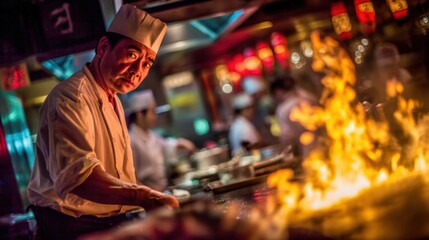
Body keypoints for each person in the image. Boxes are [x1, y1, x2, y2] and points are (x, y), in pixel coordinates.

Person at [27, 4, 179, 239]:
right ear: (104, 47)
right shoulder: (71, 97)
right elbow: (79, 177)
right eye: (131, 55)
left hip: (108, 225)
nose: (137, 71)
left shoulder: (113, 99)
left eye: (147, 63)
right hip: (72, 229)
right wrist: (144, 196)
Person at [126, 89, 196, 192]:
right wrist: (149, 193)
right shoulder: (131, 140)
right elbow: (131, 178)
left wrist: (182, 143)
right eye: (153, 112)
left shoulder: (151, 135)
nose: (156, 116)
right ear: (139, 114)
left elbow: (165, 145)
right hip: (147, 195)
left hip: (162, 190)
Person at [270, 75, 318, 160]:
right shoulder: (308, 97)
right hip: (324, 142)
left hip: (305, 148)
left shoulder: (283, 109)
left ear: (279, 92)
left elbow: (286, 137)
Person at [242, 75, 278, 146]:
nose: (257, 96)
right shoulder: (251, 107)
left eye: (259, 93)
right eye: (254, 95)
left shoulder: (268, 103)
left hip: (272, 138)